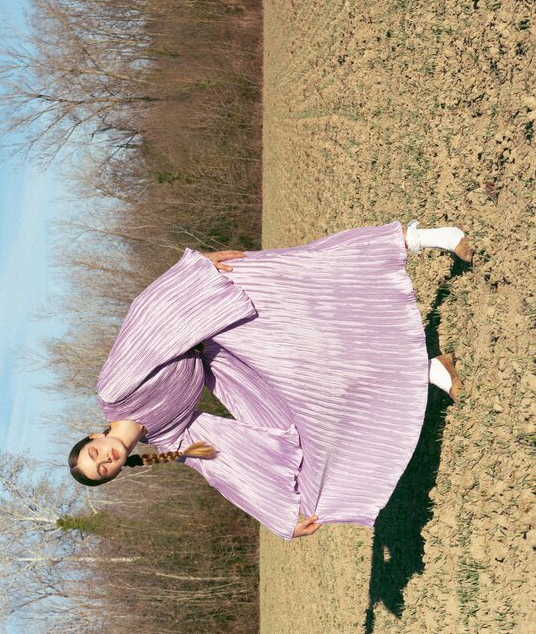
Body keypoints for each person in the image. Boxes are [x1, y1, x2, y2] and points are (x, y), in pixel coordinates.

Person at [68, 219, 472, 540]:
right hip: (226, 356)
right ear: (118, 473)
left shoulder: (114, 392)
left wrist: (194, 272)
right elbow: (222, 467)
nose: (105, 461)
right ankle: (431, 371)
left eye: (94, 456)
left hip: (213, 307)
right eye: (104, 472)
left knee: (311, 274)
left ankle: (426, 237)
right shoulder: (165, 440)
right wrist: (279, 515)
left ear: (92, 438)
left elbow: (145, 320)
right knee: (313, 389)